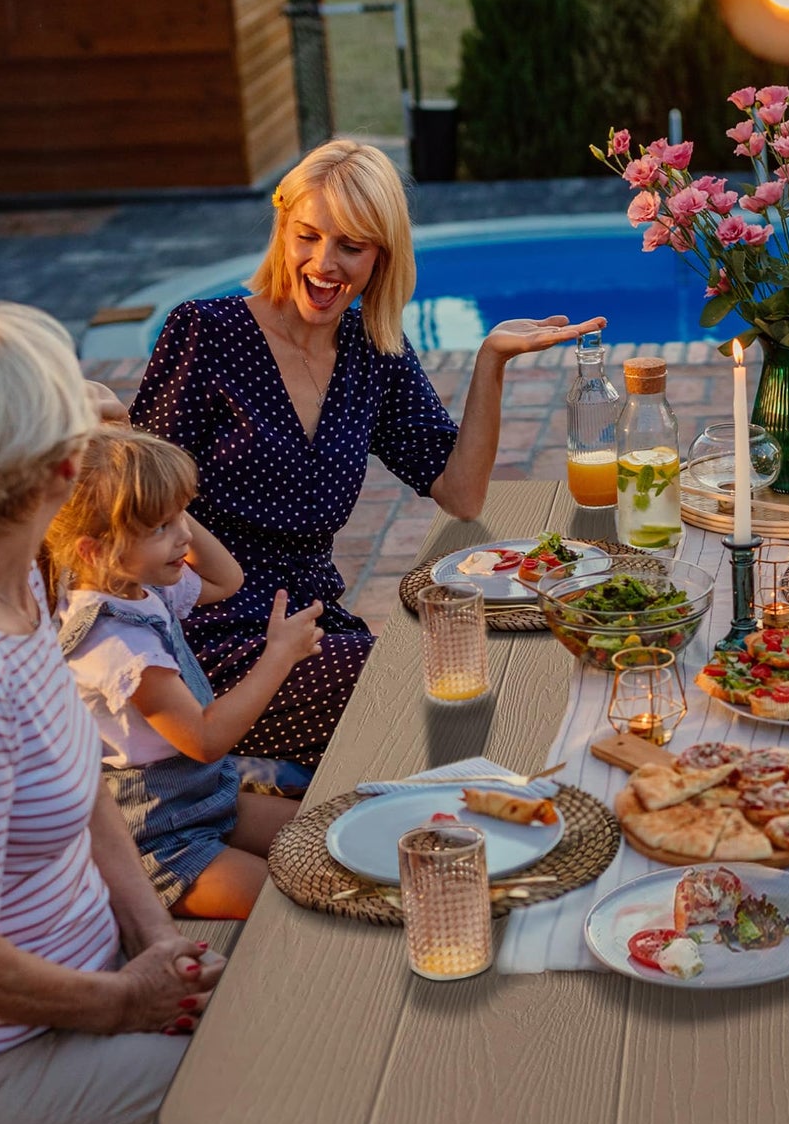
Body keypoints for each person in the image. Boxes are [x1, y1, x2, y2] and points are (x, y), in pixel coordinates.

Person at [0, 302, 371, 1124]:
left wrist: (157, 938)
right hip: (22, 1050)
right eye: (79, 432)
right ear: (56, 475)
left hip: (106, 958)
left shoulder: (28, 599)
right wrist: (124, 1000)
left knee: (311, 906)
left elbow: (88, 798)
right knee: (286, 1065)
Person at [130, 138, 605, 768]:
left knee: (493, 654)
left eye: (350, 246)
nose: (324, 264)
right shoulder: (207, 333)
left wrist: (491, 362)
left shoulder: (370, 350)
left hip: (315, 628)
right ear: (283, 229)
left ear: (382, 256)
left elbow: (459, 492)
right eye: (308, 236)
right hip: (208, 636)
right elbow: (138, 500)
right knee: (422, 697)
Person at [44, 426, 325, 918]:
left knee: (328, 842)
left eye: (180, 518)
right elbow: (204, 737)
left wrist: (162, 503)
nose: (185, 537)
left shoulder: (135, 586)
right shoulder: (116, 645)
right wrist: (278, 657)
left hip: (209, 796)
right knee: (292, 905)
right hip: (161, 841)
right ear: (94, 551)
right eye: (160, 528)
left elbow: (226, 578)